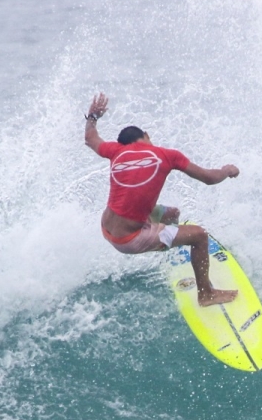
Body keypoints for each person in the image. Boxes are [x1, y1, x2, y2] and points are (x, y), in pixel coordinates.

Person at [84, 92, 239, 307]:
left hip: (106, 228)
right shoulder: (167, 155)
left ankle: (169, 243)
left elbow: (90, 138)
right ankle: (206, 294)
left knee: (171, 214)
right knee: (200, 236)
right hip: (129, 239)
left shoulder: (115, 151)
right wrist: (227, 170)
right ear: (146, 135)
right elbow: (209, 178)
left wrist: (92, 116)